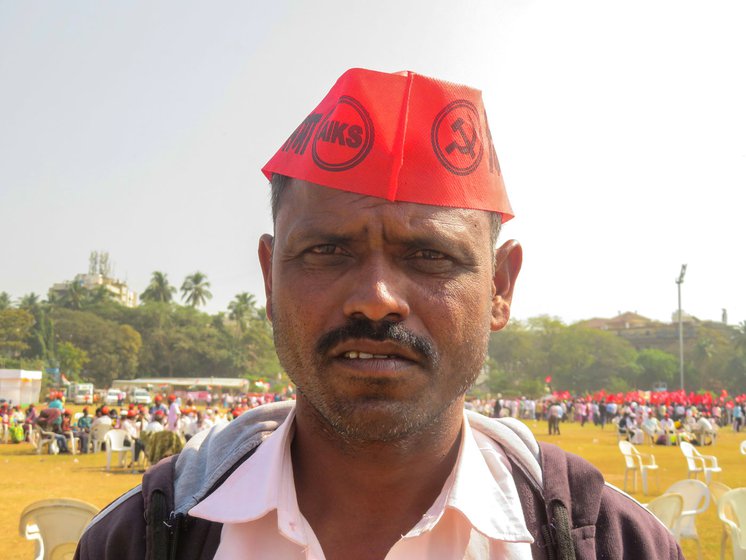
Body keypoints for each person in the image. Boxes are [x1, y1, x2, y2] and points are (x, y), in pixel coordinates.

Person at [76, 68, 682, 559]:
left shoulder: (611, 543)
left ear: (500, 286)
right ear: (269, 277)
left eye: (429, 255)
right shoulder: (142, 539)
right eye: (327, 251)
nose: (376, 297)